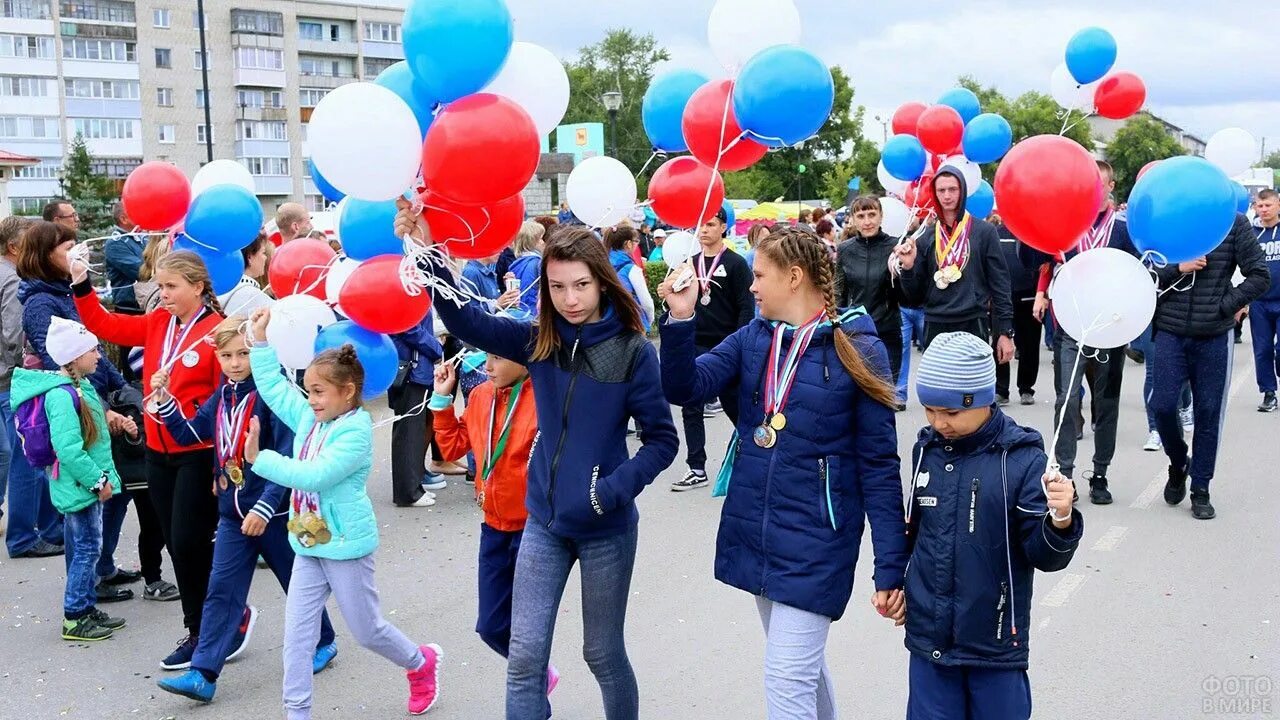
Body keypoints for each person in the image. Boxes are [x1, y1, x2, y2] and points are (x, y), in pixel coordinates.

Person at [394, 199, 678, 720]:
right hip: (542, 523)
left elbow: (663, 441)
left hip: (605, 529)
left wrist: (609, 491)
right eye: (557, 286)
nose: (570, 299)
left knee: (603, 655)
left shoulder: (634, 351)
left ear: (601, 282)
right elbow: (464, 318)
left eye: (581, 285)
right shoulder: (537, 339)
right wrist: (427, 246)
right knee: (523, 658)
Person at [659, 227, 907, 720]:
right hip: (758, 531)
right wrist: (681, 318)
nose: (751, 286)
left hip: (819, 538)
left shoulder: (857, 348)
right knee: (801, 671)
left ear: (794, 277)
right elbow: (685, 387)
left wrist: (890, 568)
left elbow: (880, 467)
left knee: (786, 677)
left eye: (759, 275)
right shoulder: (754, 338)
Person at [245, 311, 442, 718]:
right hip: (307, 543)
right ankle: (296, 712)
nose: (310, 399)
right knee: (298, 636)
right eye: (309, 391)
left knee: (367, 631)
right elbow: (275, 389)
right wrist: (261, 343)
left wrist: (259, 459)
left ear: (347, 392)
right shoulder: (310, 417)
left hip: (346, 547)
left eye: (318, 392)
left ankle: (420, 663)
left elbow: (316, 476)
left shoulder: (354, 433)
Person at [153, 317, 337, 703]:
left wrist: (268, 506)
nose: (235, 362)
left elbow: (290, 456)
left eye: (243, 353)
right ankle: (203, 674)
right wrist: (166, 403)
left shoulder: (274, 395)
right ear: (216, 357)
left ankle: (324, 639)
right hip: (232, 513)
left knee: (296, 584)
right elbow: (190, 435)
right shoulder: (223, 395)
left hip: (277, 515)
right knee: (221, 591)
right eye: (226, 355)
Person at [903, 332, 1083, 720]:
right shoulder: (926, 450)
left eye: (951, 412)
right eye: (930, 410)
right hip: (930, 641)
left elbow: (1044, 555)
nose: (939, 422)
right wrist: (903, 588)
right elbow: (916, 535)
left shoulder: (1021, 461)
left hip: (996, 643)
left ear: (983, 399)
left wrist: (1061, 518)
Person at [71, 250, 228, 667]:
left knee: (190, 544)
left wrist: (222, 464)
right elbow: (105, 325)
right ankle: (221, 616)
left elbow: (224, 400)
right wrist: (82, 284)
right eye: (160, 286)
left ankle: (202, 632)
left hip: (198, 454)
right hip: (157, 453)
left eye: (171, 287)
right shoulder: (159, 321)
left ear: (197, 286)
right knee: (179, 546)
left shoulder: (217, 331)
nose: (163, 295)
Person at [430, 355, 558, 690]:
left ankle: (532, 695)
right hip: (493, 526)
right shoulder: (481, 395)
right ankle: (540, 674)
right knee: (490, 626)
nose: (487, 366)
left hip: (536, 530)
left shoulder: (546, 396)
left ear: (525, 358)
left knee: (529, 628)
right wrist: (442, 400)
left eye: (498, 357)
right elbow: (455, 445)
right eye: (486, 356)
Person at [13, 316, 133, 640]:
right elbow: (68, 449)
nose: (99, 355)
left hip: (81, 483)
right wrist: (98, 480)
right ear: (74, 357)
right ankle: (75, 615)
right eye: (93, 351)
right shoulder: (62, 396)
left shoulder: (81, 386)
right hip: (79, 484)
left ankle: (86, 605)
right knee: (87, 548)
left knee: (85, 546)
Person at [1151, 213, 1269, 519]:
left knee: (1208, 412)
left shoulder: (1233, 222)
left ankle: (1200, 487)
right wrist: (1179, 267)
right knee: (1162, 405)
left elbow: (1259, 274)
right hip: (1170, 330)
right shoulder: (1169, 217)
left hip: (1213, 336)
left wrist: (1225, 306)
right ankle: (1178, 463)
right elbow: (1147, 272)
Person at [1037, 161, 1139, 504]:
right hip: (1071, 325)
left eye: (1100, 186)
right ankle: (1065, 473)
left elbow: (1140, 273)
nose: (1094, 193)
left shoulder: (1124, 228)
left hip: (1111, 328)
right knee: (1066, 400)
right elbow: (1034, 258)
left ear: (1111, 187)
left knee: (1106, 403)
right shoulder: (1066, 225)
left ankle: (1100, 473)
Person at [671, 207, 755, 491]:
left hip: (727, 345)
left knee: (736, 406)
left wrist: (741, 341)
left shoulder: (735, 264)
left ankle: (755, 457)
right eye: (701, 225)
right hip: (695, 342)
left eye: (710, 224)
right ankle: (696, 467)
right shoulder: (689, 264)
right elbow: (679, 300)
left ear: (723, 227)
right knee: (690, 406)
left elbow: (746, 305)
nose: (704, 230)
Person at [893, 167, 1015, 357]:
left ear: (963, 191)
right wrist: (908, 268)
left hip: (973, 321)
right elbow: (914, 297)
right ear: (935, 193)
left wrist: (1006, 331)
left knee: (973, 386)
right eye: (941, 191)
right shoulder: (925, 237)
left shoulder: (984, 232)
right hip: (935, 324)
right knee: (938, 386)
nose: (947, 196)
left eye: (953, 189)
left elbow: (1000, 284)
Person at [835, 196, 905, 395]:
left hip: (888, 330)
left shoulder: (895, 247)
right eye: (861, 215)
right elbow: (839, 293)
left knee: (886, 394)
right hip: (855, 333)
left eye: (872, 214)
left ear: (881, 216)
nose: (867, 221)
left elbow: (907, 293)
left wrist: (904, 271)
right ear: (853, 219)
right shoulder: (846, 250)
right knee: (857, 394)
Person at [389, 313, 445, 507]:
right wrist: (436, 347)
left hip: (415, 367)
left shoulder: (409, 287)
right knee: (409, 431)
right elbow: (408, 326)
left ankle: (413, 487)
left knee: (413, 429)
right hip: (411, 369)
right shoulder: (403, 289)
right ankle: (408, 492)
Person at [0, 216, 31, 538]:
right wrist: (22, 369)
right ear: (13, 246)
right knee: (22, 458)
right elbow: (13, 334)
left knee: (4, 452)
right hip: (8, 380)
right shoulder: (11, 280)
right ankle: (23, 534)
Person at [993, 216, 1042, 406]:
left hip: (1029, 297)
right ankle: (1001, 390)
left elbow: (1043, 266)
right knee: (999, 342)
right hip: (1002, 298)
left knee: (1030, 344)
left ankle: (1026, 388)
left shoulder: (1034, 234)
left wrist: (1041, 293)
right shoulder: (996, 233)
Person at [1249, 189, 1280, 412]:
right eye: (1260, 206)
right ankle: (1268, 392)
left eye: (1268, 205)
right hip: (1259, 302)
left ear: (1277, 205)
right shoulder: (1251, 234)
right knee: (1262, 349)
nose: (1264, 210)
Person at [605, 225, 656, 329]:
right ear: (628, 244)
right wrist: (648, 321)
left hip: (607, 322)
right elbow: (646, 303)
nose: (637, 244)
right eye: (636, 241)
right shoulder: (631, 269)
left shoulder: (602, 264)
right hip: (632, 321)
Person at [218, 233, 275, 317]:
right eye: (263, 253)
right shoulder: (250, 295)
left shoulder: (228, 290)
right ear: (249, 257)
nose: (265, 258)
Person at [104, 203, 146, 312]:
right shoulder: (116, 243)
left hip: (145, 304)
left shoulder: (143, 237)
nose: (142, 216)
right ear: (123, 219)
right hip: (130, 309)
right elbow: (141, 272)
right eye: (136, 213)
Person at [508, 221, 546, 316]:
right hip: (531, 315)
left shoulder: (518, 262)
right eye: (540, 239)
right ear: (531, 242)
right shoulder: (534, 263)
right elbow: (528, 295)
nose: (543, 243)